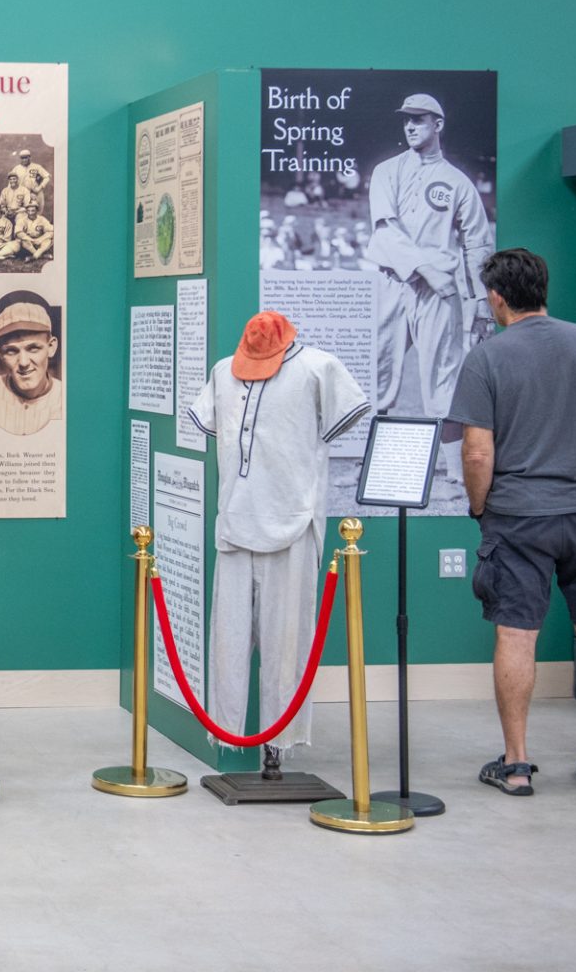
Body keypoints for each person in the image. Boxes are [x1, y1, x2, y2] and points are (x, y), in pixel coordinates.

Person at [447, 248, 576, 796]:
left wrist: (481, 508)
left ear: (496, 297)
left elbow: (477, 452)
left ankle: (516, 764)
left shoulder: (487, 358)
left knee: (516, 633)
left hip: (519, 516)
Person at [187, 313, 367, 759]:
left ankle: (278, 745)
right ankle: (229, 735)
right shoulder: (223, 371)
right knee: (227, 643)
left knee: (289, 645)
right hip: (234, 523)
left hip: (294, 522)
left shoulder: (318, 368)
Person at [365, 93, 491, 476]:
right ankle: (373, 464)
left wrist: (482, 302)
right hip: (393, 281)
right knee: (377, 373)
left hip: (439, 295)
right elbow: (384, 230)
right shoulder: (387, 171)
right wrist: (428, 269)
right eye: (406, 119)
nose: (410, 126)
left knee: (443, 378)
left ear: (438, 124)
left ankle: (454, 470)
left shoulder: (457, 183)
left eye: (419, 119)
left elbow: (477, 244)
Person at [0, 294, 64, 437]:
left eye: (33, 348)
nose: (23, 362)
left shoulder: (67, 397)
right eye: (12, 351)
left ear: (51, 347)